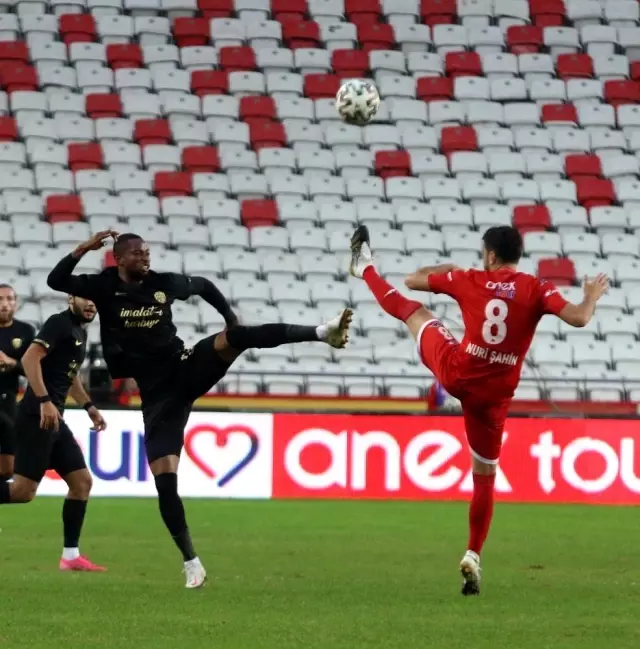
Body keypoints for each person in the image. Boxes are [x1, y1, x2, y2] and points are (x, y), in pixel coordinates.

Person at [47, 230, 353, 588]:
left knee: (236, 338)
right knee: (165, 484)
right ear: (119, 258)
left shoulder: (164, 283)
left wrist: (228, 316)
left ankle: (321, 332)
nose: (146, 258)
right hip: (159, 399)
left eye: (148, 252)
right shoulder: (101, 286)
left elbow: (205, 285)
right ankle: (192, 562)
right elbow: (56, 280)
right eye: (138, 254)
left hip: (185, 368)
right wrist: (85, 247)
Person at [349, 224, 609, 596]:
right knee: (485, 476)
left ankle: (365, 268)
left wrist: (448, 268)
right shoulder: (536, 288)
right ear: (517, 256)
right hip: (494, 397)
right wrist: (591, 295)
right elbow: (580, 318)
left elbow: (411, 280)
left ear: (489, 255)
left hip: (459, 373)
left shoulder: (469, 279)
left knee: (412, 312)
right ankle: (473, 553)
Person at [0, 295, 107, 572]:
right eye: (85, 298)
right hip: (38, 415)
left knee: (82, 482)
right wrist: (45, 400)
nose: (91, 304)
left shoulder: (78, 332)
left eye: (94, 299)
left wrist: (89, 406)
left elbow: (68, 375)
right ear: (71, 299)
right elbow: (29, 357)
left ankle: (70, 556)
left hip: (55, 416)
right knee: (23, 492)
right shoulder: (59, 323)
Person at [0, 284, 35, 482]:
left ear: (16, 303)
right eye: (0, 299)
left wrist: (12, 363)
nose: (5, 304)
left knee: (8, 469)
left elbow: (34, 369)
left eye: (10, 299)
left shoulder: (25, 331)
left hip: (8, 401)